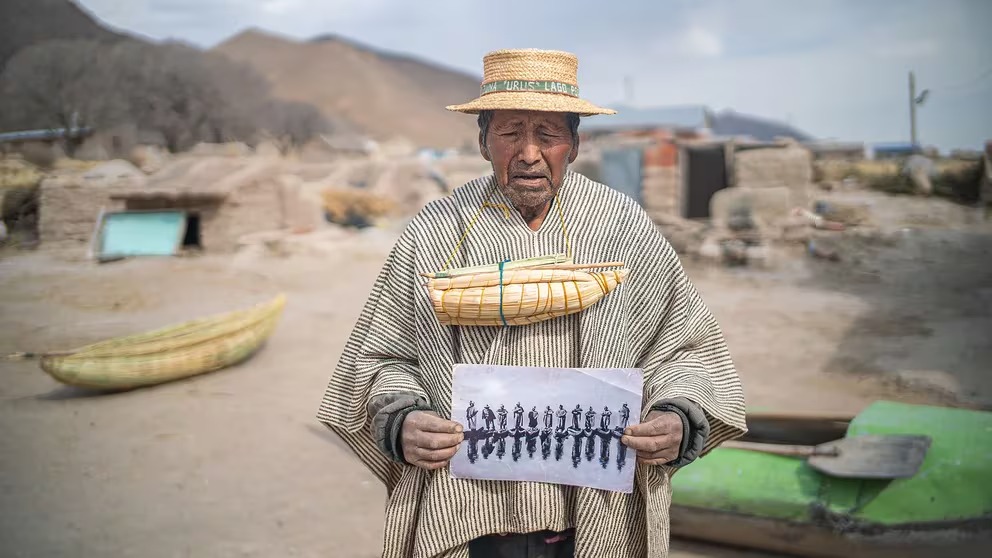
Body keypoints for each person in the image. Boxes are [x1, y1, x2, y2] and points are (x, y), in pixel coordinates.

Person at [318, 48, 746, 558]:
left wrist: (678, 414)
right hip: (465, 513)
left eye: (547, 134)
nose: (528, 153)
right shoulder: (435, 232)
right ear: (483, 142)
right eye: (509, 133)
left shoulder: (622, 227)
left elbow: (687, 350)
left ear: (575, 144)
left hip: (595, 513)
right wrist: (402, 419)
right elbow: (382, 358)